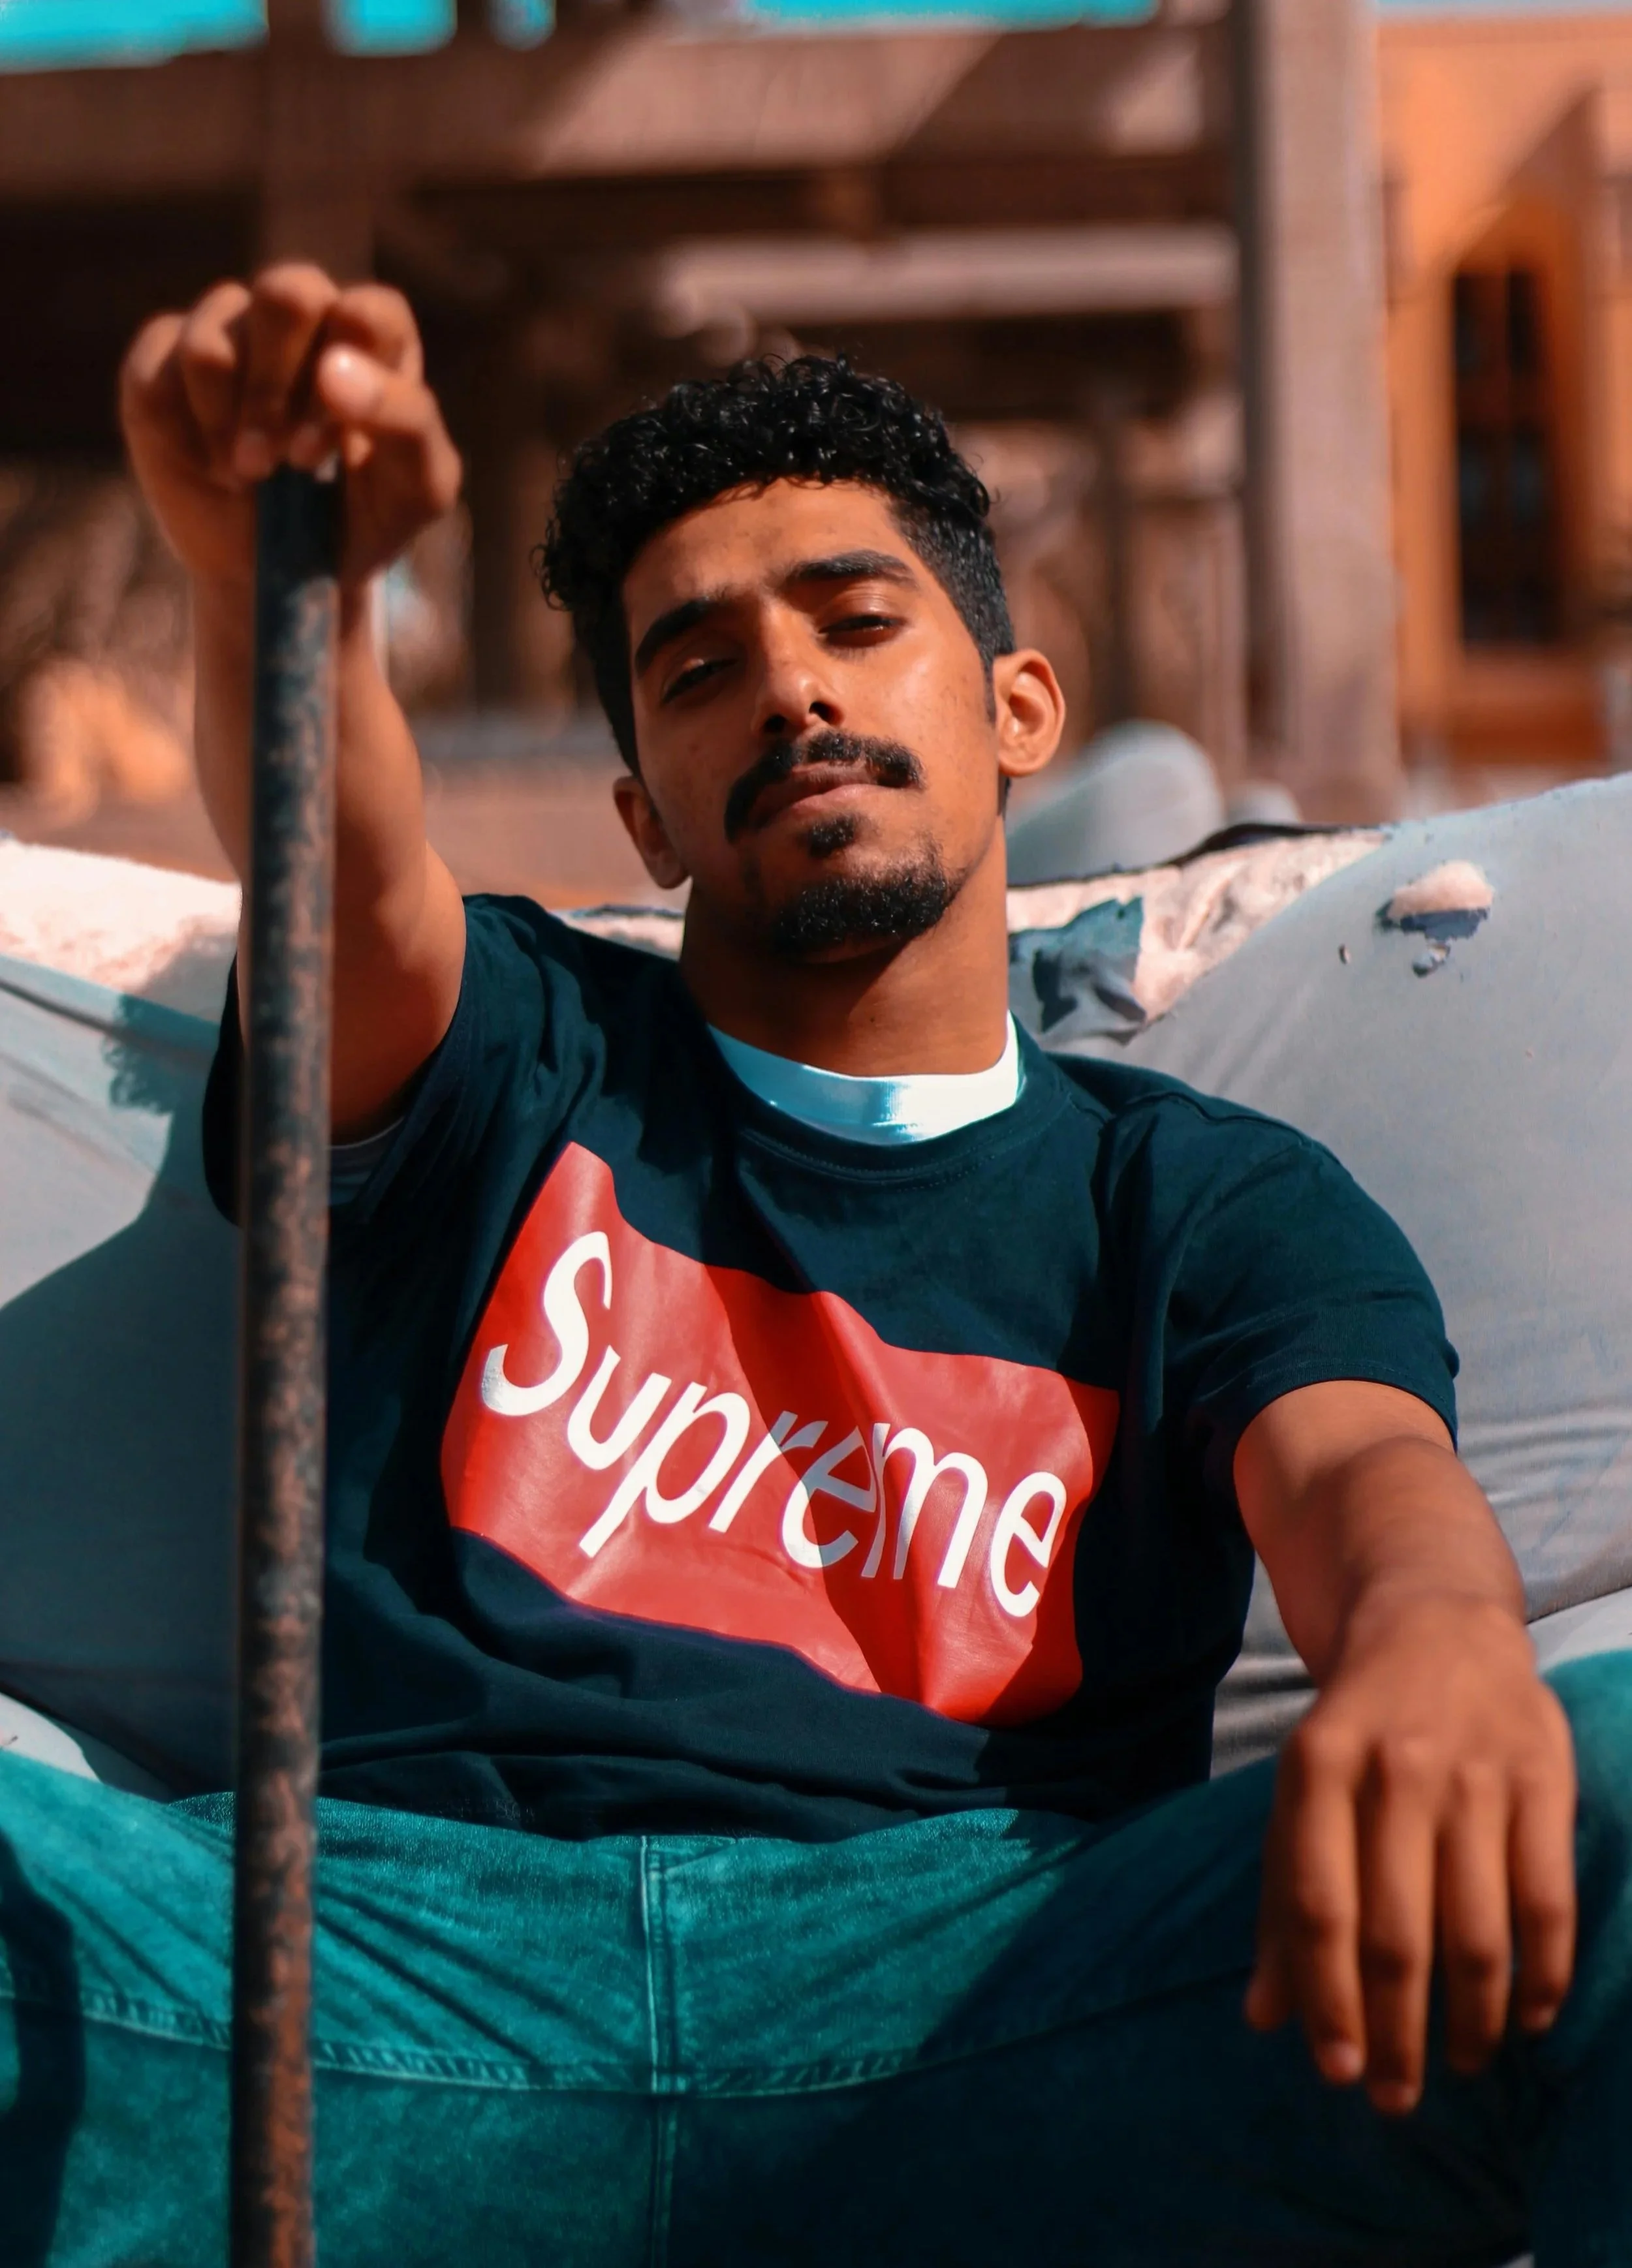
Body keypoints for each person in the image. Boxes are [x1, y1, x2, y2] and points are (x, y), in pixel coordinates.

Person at [3, 264, 1627, 2268]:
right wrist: (295, 587)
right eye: (694, 671)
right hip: (378, 1983)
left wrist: (1443, 1648)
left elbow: (1364, 1478)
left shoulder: (1201, 1195)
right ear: (646, 814)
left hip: (1001, 1999)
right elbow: (339, 879)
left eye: (857, 624)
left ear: (1016, 704)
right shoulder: (512, 1037)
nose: (789, 691)